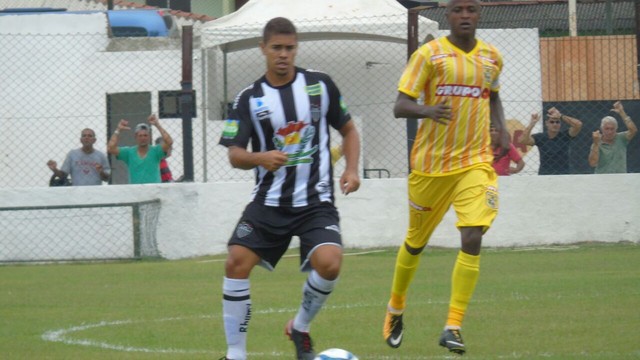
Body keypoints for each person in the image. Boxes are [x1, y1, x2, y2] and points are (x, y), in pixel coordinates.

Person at [217, 17, 360, 360]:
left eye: (290, 48)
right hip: (269, 202)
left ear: (296, 48)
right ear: (263, 49)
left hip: (315, 200)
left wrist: (352, 169)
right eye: (277, 48)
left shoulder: (320, 85)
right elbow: (235, 155)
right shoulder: (249, 98)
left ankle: (300, 326)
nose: (283, 55)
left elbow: (349, 130)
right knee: (236, 262)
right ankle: (235, 354)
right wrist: (260, 157)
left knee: (330, 262)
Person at [382, 0, 509, 355]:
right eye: (458, 9)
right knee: (416, 243)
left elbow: (493, 96)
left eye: (471, 9)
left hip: (475, 162)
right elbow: (400, 105)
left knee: (472, 236)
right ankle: (395, 308)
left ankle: (453, 325)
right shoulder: (429, 55)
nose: (465, 15)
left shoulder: (492, 58)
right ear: (447, 15)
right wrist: (427, 109)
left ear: (478, 13)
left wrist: (501, 127)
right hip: (430, 166)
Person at [107, 114, 173, 184]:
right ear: (136, 137)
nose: (143, 138)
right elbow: (111, 148)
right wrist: (118, 130)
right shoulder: (129, 152)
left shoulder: (156, 151)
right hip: (135, 191)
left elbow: (169, 141)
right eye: (140, 136)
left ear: (149, 137)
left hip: (153, 191)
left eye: (145, 135)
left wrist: (157, 125)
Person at [519, 108, 582, 175]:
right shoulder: (540, 137)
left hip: (563, 175)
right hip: (545, 175)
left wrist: (561, 116)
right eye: (552, 122)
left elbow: (578, 125)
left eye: (557, 122)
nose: (555, 124)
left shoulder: (565, 135)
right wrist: (532, 124)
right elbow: (522, 140)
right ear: (546, 123)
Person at [588, 101, 637, 173]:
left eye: (612, 129)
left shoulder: (621, 138)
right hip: (602, 178)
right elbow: (593, 163)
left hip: (620, 178)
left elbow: (633, 130)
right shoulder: (597, 143)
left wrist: (622, 112)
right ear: (602, 129)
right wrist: (596, 143)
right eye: (606, 129)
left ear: (616, 129)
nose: (609, 132)